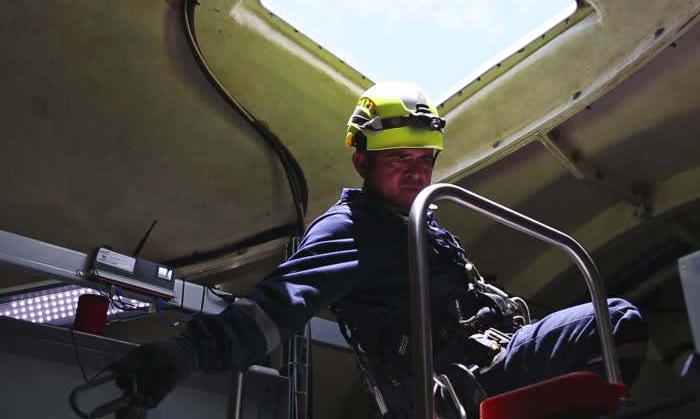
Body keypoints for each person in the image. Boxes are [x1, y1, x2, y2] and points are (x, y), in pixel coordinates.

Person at [110, 81, 646, 418]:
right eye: (397, 158)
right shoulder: (351, 229)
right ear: (362, 162)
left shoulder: (417, 224)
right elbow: (280, 302)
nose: (416, 170)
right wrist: (186, 351)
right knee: (612, 321)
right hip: (463, 386)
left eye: (424, 157)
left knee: (613, 323)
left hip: (498, 354)